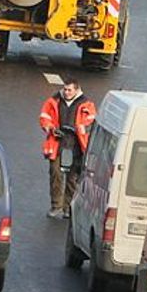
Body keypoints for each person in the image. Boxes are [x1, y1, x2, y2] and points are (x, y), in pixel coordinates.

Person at [39, 76, 97, 218]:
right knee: (55, 175)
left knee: (73, 178)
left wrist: (80, 129)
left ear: (76, 90)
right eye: (65, 89)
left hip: (76, 145)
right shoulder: (54, 101)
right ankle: (56, 206)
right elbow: (44, 117)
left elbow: (91, 121)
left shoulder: (86, 104)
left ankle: (67, 208)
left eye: (69, 90)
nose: (66, 92)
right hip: (57, 143)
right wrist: (52, 129)